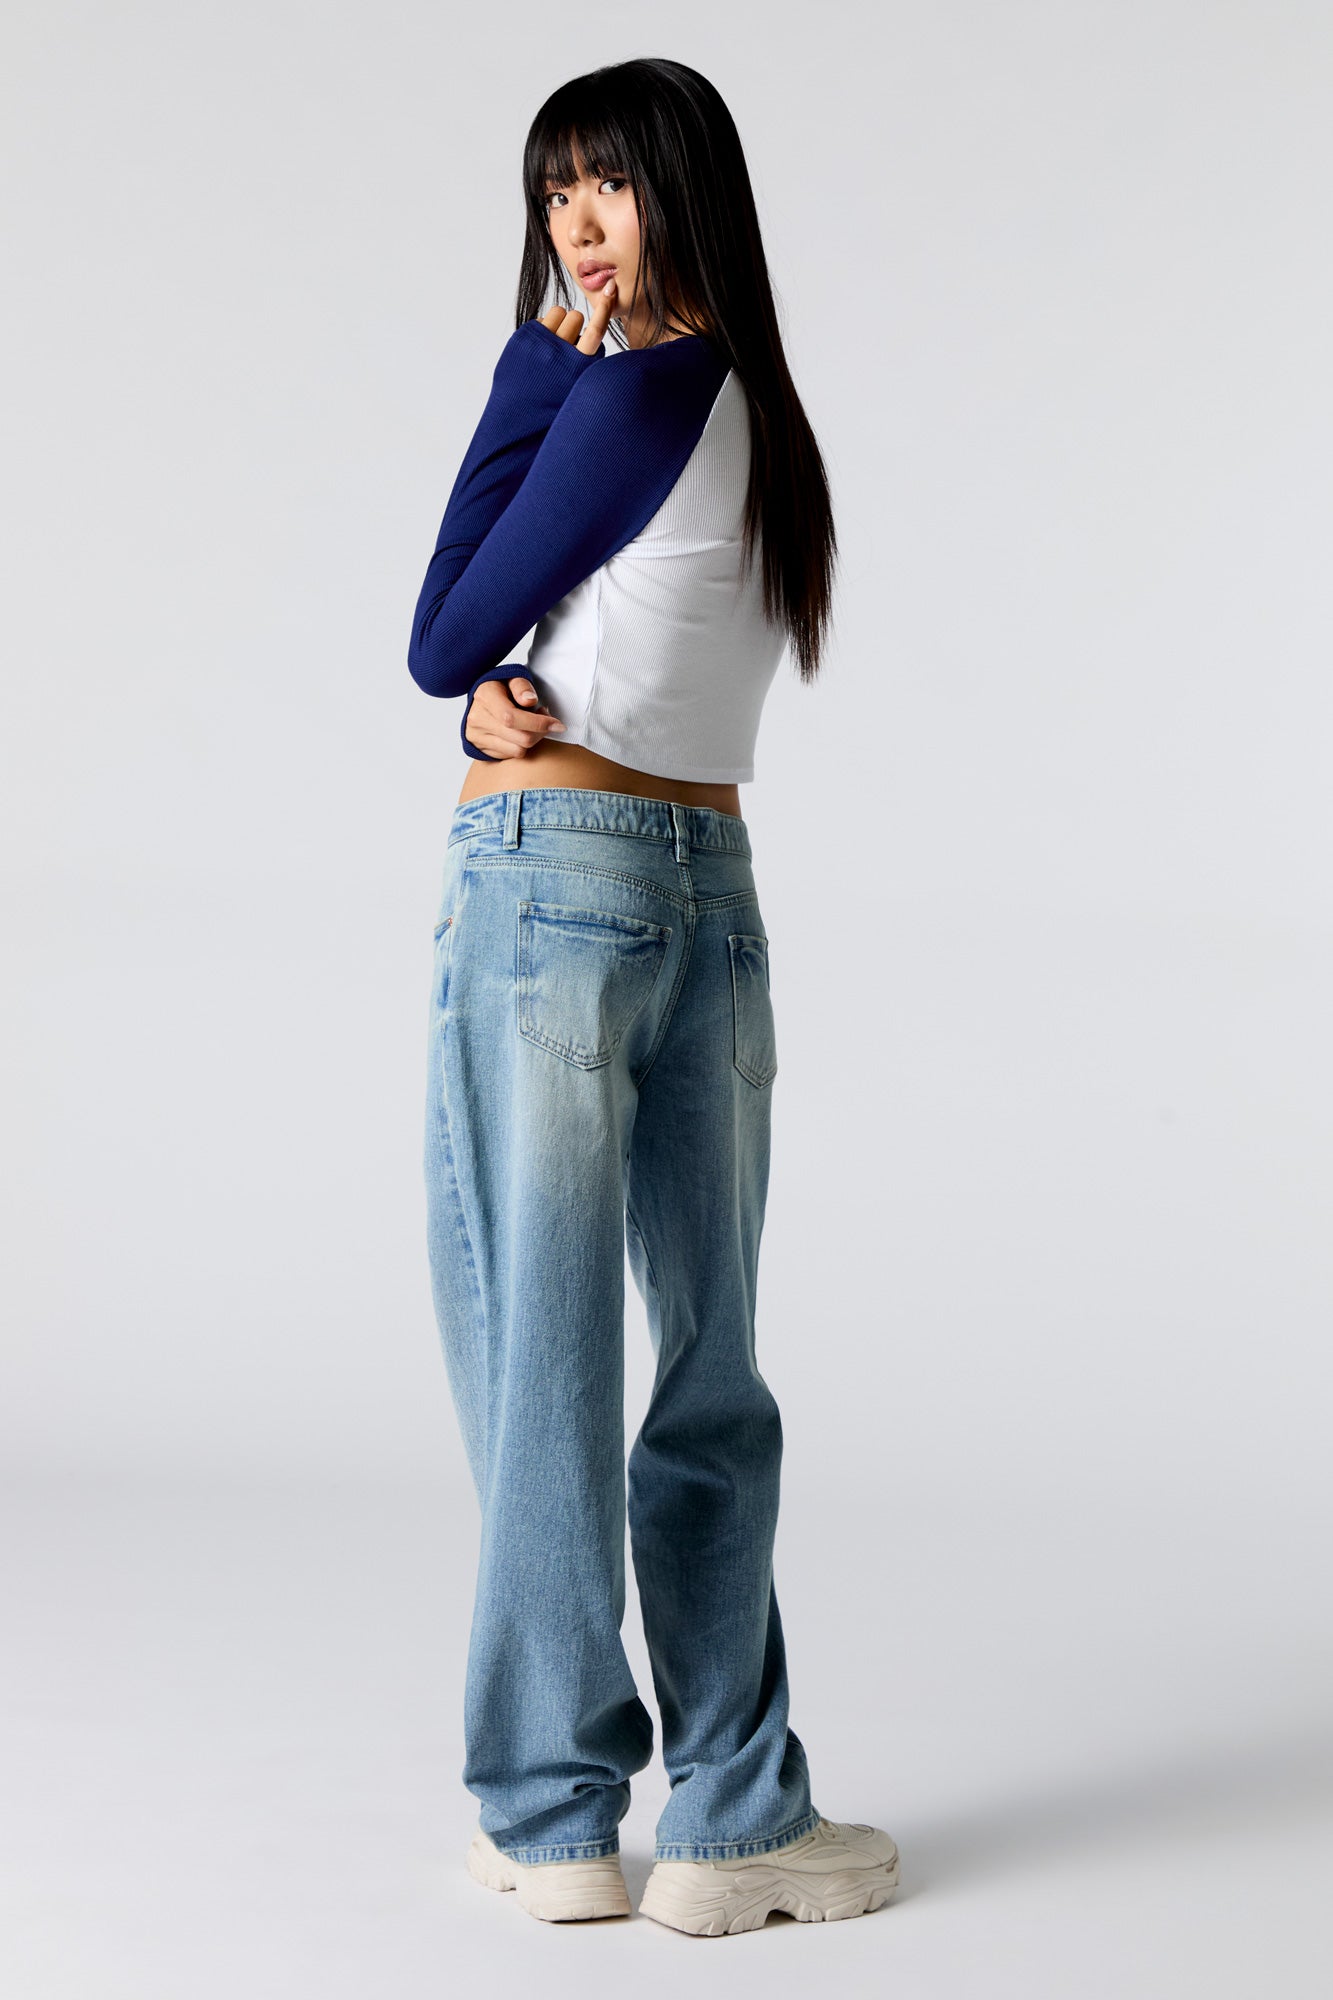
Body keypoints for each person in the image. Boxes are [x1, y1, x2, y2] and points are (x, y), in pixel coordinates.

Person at [407, 57, 899, 1936]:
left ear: (681, 188)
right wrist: (496, 692)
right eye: (553, 195)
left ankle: (551, 1816)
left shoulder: (624, 392)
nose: (577, 229)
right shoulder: (760, 407)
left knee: (541, 1351)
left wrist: (522, 378)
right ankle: (733, 1812)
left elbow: (444, 630)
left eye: (605, 184)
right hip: (707, 883)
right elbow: (614, 646)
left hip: (555, 881)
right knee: (709, 1364)